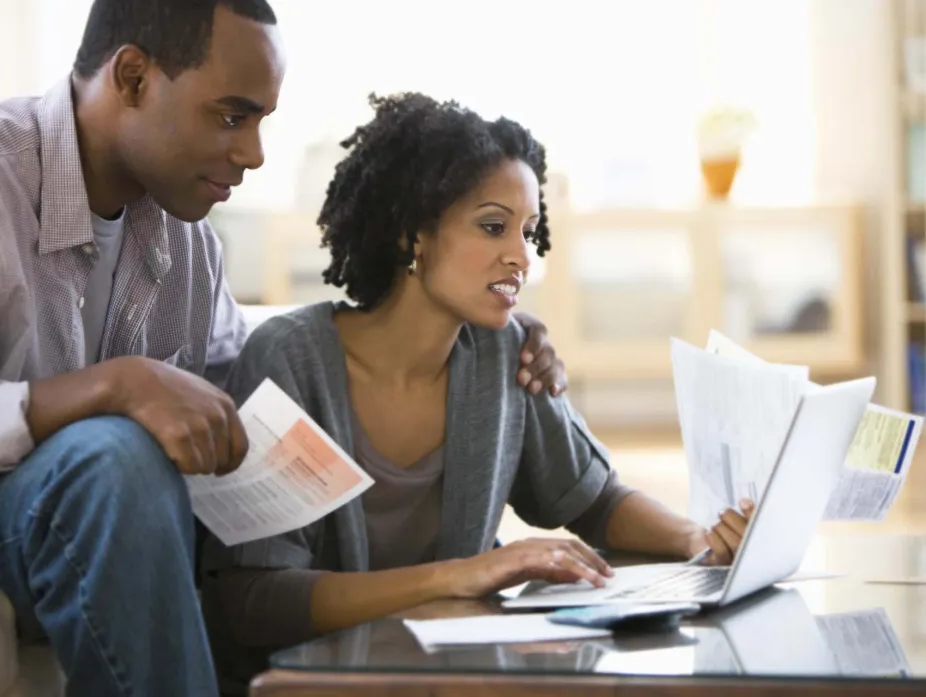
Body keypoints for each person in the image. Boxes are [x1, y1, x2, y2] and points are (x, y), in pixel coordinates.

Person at [0, 2, 571, 695]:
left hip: (83, 518)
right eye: (231, 117)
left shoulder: (187, 242)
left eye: (261, 122)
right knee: (116, 458)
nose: (253, 153)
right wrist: (111, 386)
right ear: (132, 77)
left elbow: (249, 411)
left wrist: (499, 325)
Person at [202, 92, 755, 690]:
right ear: (413, 233)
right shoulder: (291, 361)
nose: (520, 256)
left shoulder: (503, 354)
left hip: (449, 675)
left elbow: (593, 500)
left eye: (528, 231)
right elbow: (253, 598)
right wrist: (458, 575)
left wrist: (698, 539)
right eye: (493, 227)